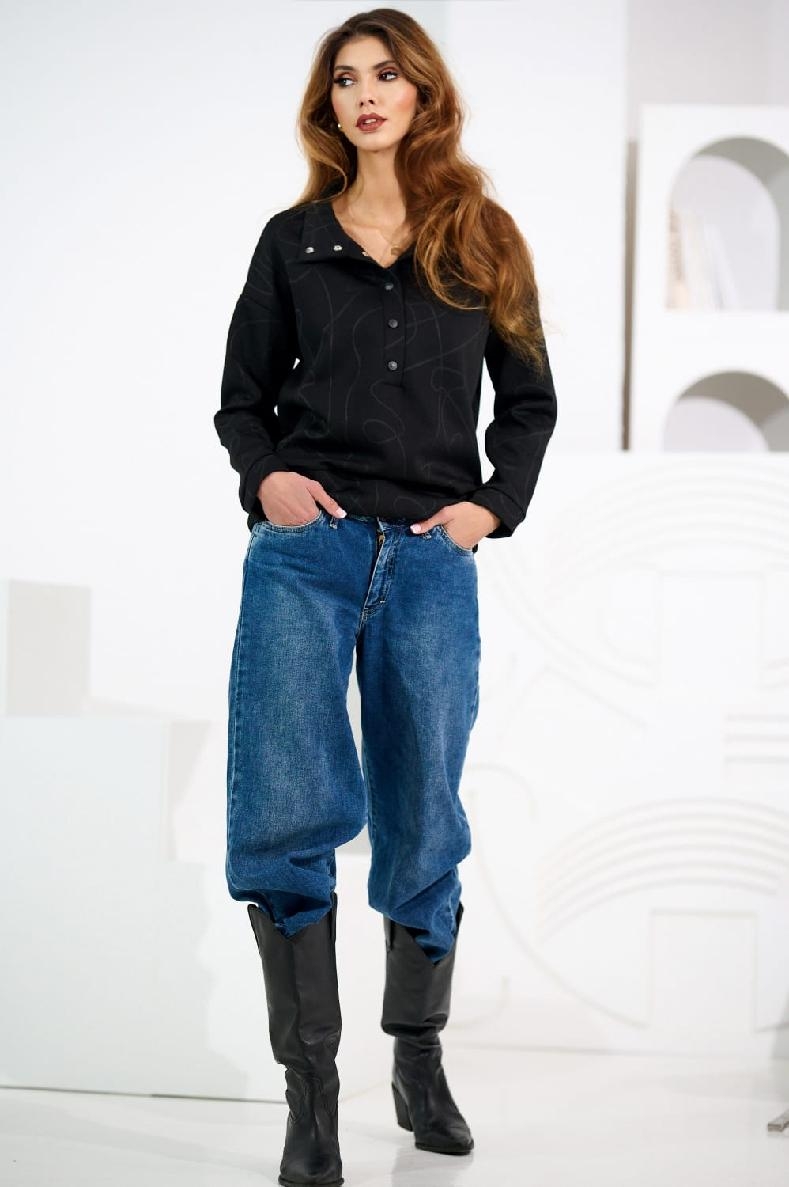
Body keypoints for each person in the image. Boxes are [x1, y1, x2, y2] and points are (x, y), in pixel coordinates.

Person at [214, 8, 558, 1186]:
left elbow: (529, 400)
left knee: (423, 812)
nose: (366, 94)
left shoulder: (483, 236)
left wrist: (490, 507)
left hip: (426, 562)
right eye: (346, 78)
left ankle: (418, 1059)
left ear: (423, 94)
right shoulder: (292, 241)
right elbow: (241, 397)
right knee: (285, 809)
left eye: (388, 74)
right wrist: (266, 478)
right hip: (304, 557)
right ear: (330, 104)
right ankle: (312, 1095)